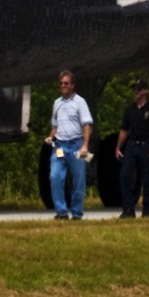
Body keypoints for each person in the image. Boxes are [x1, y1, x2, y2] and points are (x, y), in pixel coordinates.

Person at [45, 70, 94, 220]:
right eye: (61, 84)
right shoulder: (57, 103)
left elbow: (87, 125)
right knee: (55, 177)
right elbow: (55, 125)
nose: (63, 86)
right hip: (59, 146)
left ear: (72, 85)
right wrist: (50, 136)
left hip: (77, 145)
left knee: (78, 179)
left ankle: (77, 213)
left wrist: (85, 145)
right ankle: (61, 212)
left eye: (66, 83)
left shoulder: (80, 102)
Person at [116, 82, 149, 218]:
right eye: (135, 89)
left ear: (145, 91)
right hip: (131, 145)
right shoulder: (130, 109)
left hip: (146, 145)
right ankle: (128, 208)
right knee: (125, 176)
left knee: (146, 178)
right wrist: (118, 147)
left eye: (139, 89)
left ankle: (147, 207)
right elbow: (124, 130)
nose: (136, 92)